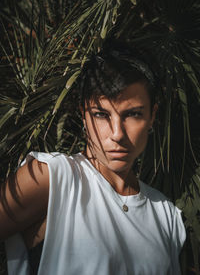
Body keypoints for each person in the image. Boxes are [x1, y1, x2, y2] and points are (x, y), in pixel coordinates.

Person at [0, 41, 186, 275]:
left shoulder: (166, 215)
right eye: (101, 114)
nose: (117, 133)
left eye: (133, 114)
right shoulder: (53, 177)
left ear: (152, 116)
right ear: (83, 115)